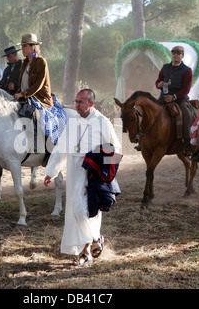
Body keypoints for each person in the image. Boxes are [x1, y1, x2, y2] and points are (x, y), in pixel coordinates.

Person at [43, 89, 122, 266]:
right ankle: (94, 240)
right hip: (74, 169)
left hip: (93, 173)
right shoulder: (72, 123)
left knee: (87, 209)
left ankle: (86, 251)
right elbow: (61, 148)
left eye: (80, 102)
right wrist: (51, 171)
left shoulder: (102, 122)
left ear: (91, 104)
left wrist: (105, 172)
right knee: (75, 210)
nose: (76, 105)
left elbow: (116, 150)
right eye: (76, 101)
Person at [14, 33, 66, 145]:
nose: (22, 48)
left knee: (42, 118)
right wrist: (18, 93)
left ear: (33, 46)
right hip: (24, 95)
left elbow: (39, 84)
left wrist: (24, 94)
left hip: (39, 97)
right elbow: (22, 83)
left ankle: (49, 145)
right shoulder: (24, 63)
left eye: (25, 46)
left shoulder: (41, 62)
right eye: (22, 46)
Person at [155, 45, 194, 156]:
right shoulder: (165, 67)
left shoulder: (187, 70)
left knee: (186, 115)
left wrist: (174, 96)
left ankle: (187, 144)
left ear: (182, 56)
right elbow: (158, 81)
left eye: (178, 53)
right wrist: (159, 84)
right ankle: (142, 139)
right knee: (149, 111)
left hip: (180, 100)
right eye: (174, 53)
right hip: (163, 98)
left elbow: (186, 89)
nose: (176, 55)